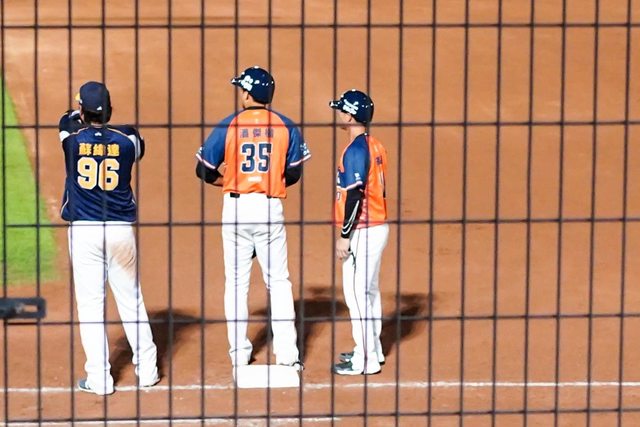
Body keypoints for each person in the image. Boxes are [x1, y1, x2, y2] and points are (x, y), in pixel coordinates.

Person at [195, 66, 310, 370]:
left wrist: (233, 181)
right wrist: (267, 180)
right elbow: (294, 174)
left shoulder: (229, 124)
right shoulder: (285, 125)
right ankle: (287, 355)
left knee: (236, 283)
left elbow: (203, 170)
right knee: (279, 282)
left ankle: (239, 354)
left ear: (247, 94)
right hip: (269, 208)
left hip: (236, 209)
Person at [59, 81, 159, 395]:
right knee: (131, 299)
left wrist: (79, 114)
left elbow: (66, 121)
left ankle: (100, 380)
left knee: (91, 306)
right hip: (120, 232)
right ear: (110, 110)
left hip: (85, 232)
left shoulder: (71, 140)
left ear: (82, 111)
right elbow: (136, 141)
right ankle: (148, 371)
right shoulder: (128, 140)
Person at [329, 89, 389, 375]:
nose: (339, 113)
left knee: (356, 295)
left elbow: (355, 196)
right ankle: (373, 349)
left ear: (350, 115)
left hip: (363, 230)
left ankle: (365, 359)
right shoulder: (374, 145)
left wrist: (344, 236)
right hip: (377, 227)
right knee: (369, 292)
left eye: (342, 109)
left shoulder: (355, 150)